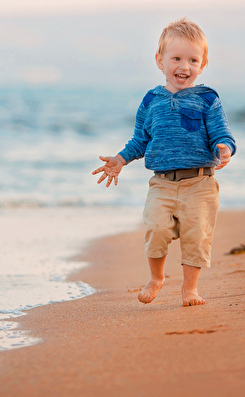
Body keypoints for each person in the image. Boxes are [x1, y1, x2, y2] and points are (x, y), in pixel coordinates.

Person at [92, 18, 236, 307]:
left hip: (200, 182)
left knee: (197, 237)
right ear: (160, 61)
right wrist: (120, 159)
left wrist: (225, 148)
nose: (184, 66)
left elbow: (222, 133)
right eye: (176, 58)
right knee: (156, 228)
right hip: (162, 183)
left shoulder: (208, 99)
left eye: (193, 60)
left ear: (203, 64)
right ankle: (156, 278)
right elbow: (140, 140)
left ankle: (190, 289)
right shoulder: (151, 101)